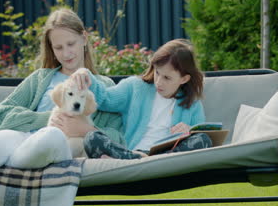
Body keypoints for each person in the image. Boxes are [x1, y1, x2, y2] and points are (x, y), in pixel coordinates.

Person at [0, 8, 123, 171]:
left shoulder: (103, 85)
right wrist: (48, 118)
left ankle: (7, 164)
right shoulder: (41, 78)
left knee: (52, 137)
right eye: (58, 47)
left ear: (84, 39)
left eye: (71, 44)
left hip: (64, 147)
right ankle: (13, 162)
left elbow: (120, 139)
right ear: (51, 48)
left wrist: (84, 129)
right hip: (25, 138)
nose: (66, 53)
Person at [71, 39, 212, 159]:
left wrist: (188, 131)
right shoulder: (135, 87)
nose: (159, 82)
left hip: (168, 156)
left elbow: (200, 137)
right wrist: (85, 74)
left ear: (184, 79)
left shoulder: (192, 103)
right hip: (132, 153)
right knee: (91, 139)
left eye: (167, 78)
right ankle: (138, 159)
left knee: (202, 139)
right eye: (157, 73)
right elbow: (105, 99)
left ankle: (154, 161)